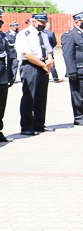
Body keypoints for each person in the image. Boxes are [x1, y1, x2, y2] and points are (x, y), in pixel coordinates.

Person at [15, 13, 55, 136]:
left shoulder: (44, 34)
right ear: (33, 21)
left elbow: (48, 50)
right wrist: (42, 64)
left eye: (44, 22)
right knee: (29, 97)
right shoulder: (24, 34)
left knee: (41, 97)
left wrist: (49, 60)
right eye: (41, 22)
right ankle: (26, 126)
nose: (43, 25)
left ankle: (39, 123)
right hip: (30, 65)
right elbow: (26, 54)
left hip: (43, 66)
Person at [0, 11, 15, 142]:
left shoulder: (2, 35)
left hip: (3, 76)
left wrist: (10, 75)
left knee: (1, 104)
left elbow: (8, 56)